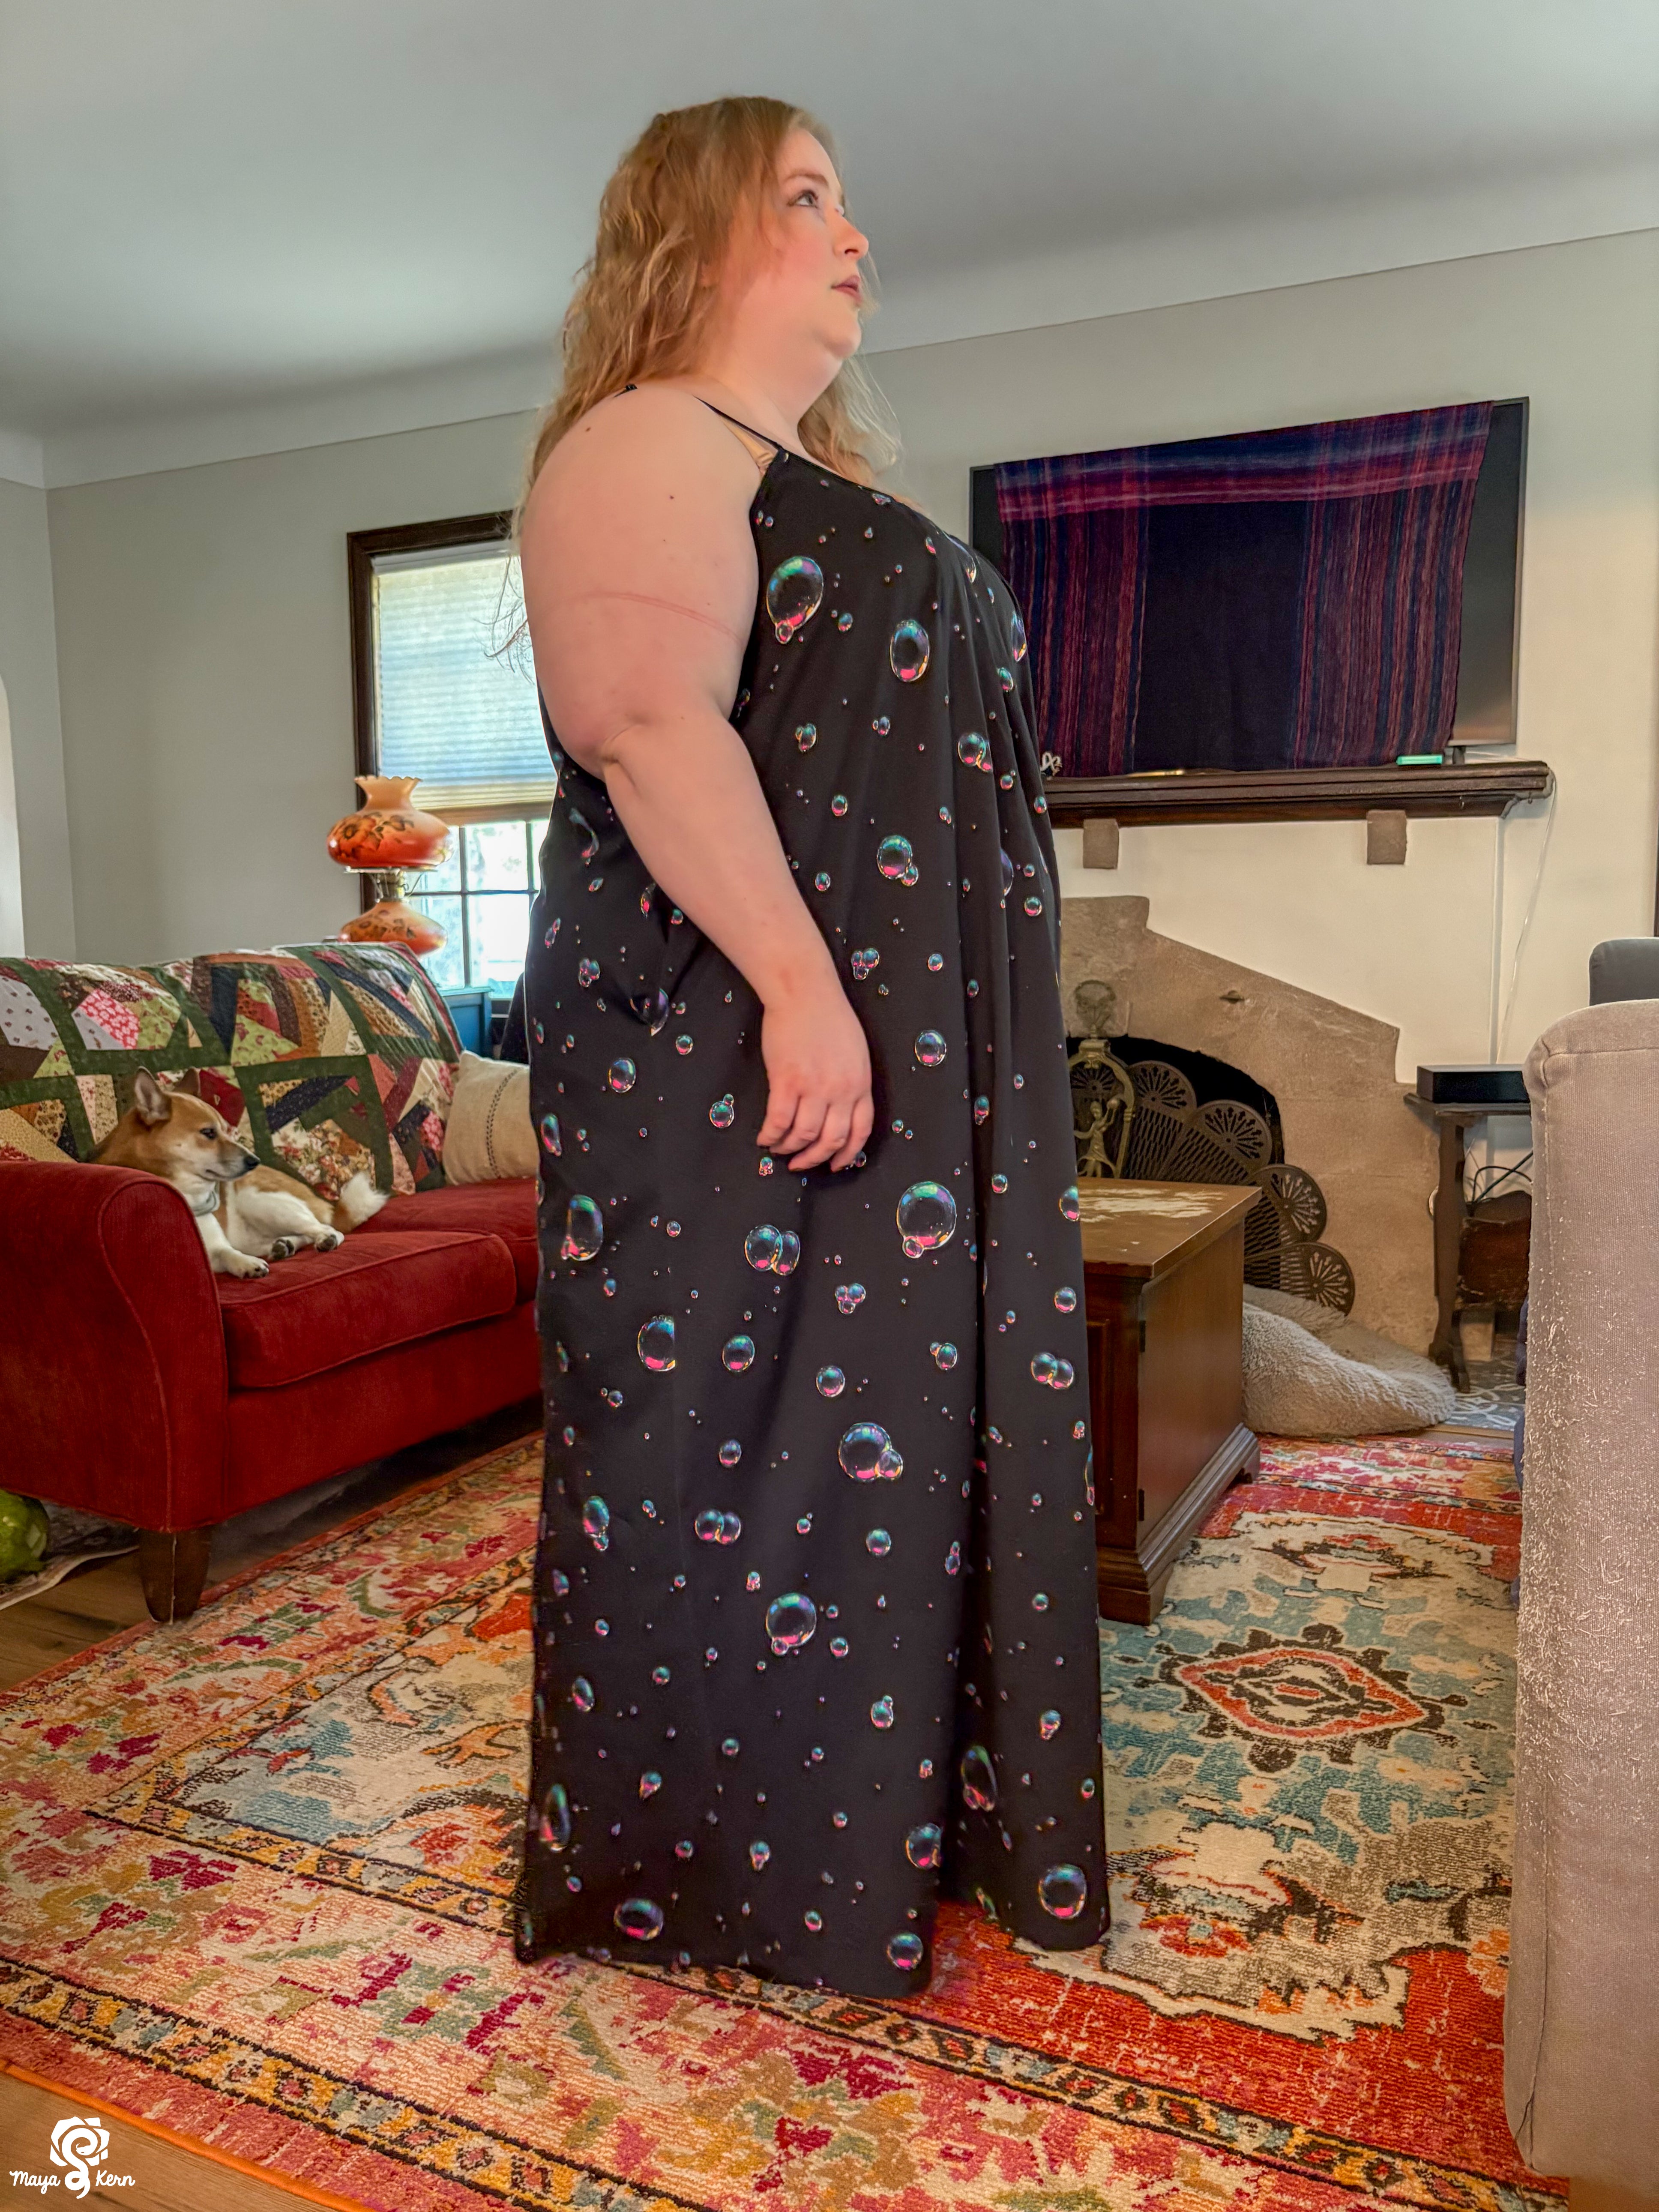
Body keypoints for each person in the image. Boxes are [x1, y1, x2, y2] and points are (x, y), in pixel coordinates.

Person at [514, 95, 1105, 1996]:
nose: (853, 235)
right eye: (805, 198)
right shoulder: (643, 438)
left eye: (846, 200)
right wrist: (802, 987)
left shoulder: (791, 471)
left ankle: (894, 1826)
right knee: (738, 1448)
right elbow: (640, 717)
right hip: (740, 1049)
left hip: (878, 1038)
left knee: (891, 1448)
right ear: (695, 236)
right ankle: (714, 1872)